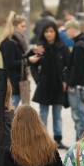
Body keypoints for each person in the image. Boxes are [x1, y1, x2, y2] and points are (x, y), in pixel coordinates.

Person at [30, 20, 71, 150]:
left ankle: (58, 139)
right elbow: (33, 65)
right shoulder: (40, 48)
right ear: (43, 33)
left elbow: (69, 66)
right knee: (43, 113)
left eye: (51, 31)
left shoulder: (62, 47)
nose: (49, 34)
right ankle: (43, 139)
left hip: (58, 86)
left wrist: (65, 80)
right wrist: (38, 79)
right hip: (44, 86)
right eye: (46, 32)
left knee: (57, 115)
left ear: (55, 32)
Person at [0, 11, 41, 108]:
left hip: (20, 81)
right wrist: (29, 61)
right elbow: (10, 64)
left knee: (21, 110)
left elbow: (21, 57)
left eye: (25, 26)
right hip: (13, 82)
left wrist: (33, 52)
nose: (25, 29)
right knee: (11, 111)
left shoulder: (18, 41)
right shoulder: (9, 43)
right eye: (23, 26)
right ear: (15, 26)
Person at [63, 19, 84, 141]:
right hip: (81, 85)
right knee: (79, 115)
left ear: (72, 29)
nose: (65, 33)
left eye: (66, 30)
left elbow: (77, 68)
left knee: (79, 116)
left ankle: (81, 142)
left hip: (77, 86)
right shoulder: (82, 43)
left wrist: (70, 82)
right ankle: (81, 141)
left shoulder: (79, 46)